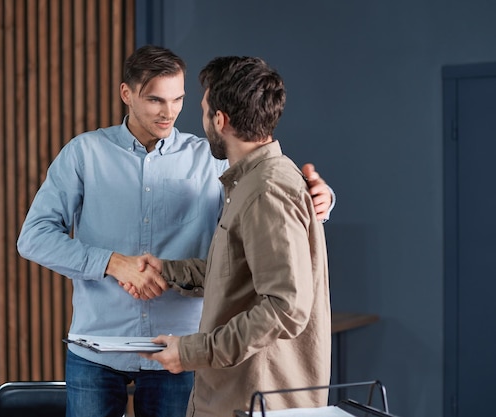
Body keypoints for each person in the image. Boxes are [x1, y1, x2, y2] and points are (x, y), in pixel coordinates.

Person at [17, 46, 333, 417]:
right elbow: (34, 237)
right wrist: (110, 262)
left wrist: (321, 199)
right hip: (98, 348)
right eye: (155, 100)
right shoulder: (84, 154)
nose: (169, 112)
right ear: (127, 94)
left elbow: (269, 198)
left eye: (179, 99)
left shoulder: (212, 159)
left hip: (182, 349)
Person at [128, 56, 331, 417]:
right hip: (238, 396)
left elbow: (286, 307)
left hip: (254, 399)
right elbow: (237, 275)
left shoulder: (265, 190)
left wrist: (191, 351)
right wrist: (167, 270)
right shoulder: (254, 182)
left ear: (219, 120)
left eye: (204, 110)